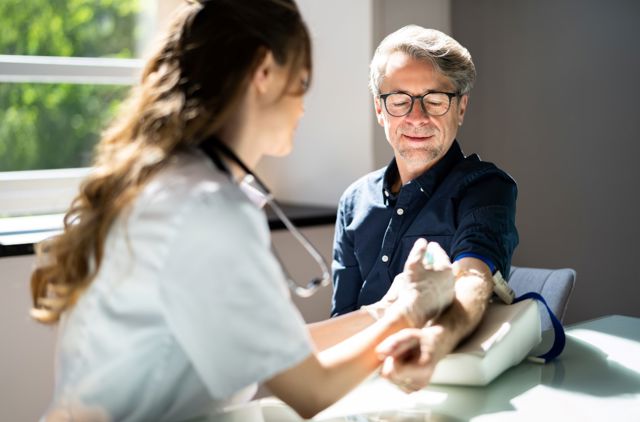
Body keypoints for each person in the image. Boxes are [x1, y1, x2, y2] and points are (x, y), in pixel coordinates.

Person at [29, 2, 456, 421]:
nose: (304, 107)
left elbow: (279, 353)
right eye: (302, 81)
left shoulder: (168, 185)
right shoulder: (208, 210)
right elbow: (311, 390)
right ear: (265, 71)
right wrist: (413, 309)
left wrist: (385, 309)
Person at [331, 25, 519, 391]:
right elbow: (343, 319)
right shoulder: (354, 201)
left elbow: (473, 279)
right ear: (380, 109)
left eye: (434, 100)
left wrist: (433, 342)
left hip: (446, 382)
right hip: (361, 386)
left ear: (461, 107)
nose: (417, 117)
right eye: (400, 100)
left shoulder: (484, 188)